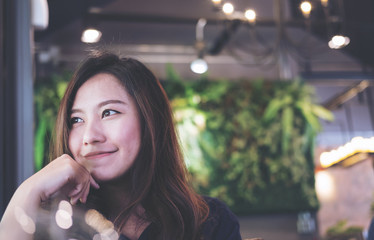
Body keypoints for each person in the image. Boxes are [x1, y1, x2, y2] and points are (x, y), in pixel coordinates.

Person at [0, 51, 241, 240]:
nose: (89, 136)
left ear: (150, 121)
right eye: (77, 120)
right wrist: (28, 191)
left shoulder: (210, 221)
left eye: (109, 112)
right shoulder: (58, 226)